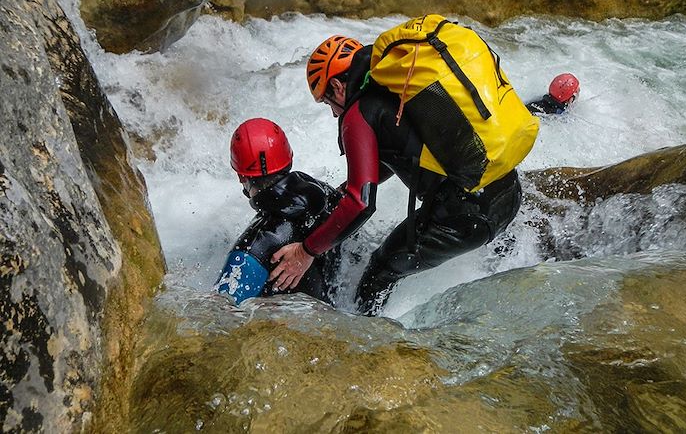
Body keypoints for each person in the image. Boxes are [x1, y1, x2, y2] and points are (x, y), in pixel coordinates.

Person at [271, 20, 532, 315]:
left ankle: (368, 340)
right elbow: (406, 150)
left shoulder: (358, 115)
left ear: (337, 86)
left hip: (467, 219)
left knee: (380, 269)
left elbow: (360, 204)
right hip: (507, 192)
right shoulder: (400, 81)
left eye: (328, 102)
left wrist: (305, 252)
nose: (333, 113)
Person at [215, 118, 341, 305]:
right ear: (288, 157)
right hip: (340, 304)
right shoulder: (326, 194)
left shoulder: (253, 248)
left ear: (241, 176)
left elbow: (218, 317)